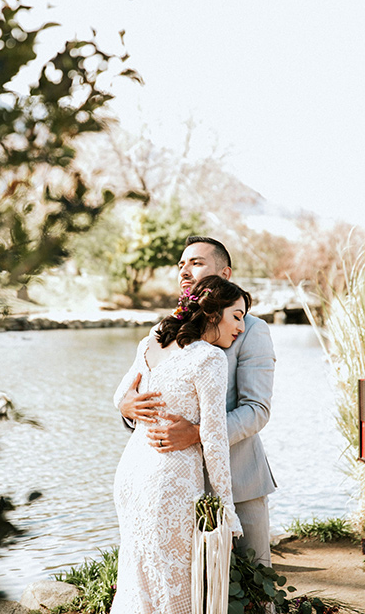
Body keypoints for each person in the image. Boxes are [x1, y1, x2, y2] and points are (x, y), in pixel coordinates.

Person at [120, 236, 276, 566]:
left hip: (239, 482)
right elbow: (135, 391)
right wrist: (126, 408)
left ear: (225, 273)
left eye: (197, 263)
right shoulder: (164, 332)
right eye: (181, 264)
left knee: (253, 589)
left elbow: (257, 410)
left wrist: (197, 433)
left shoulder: (251, 329)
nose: (185, 270)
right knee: (194, 590)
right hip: (171, 489)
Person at [111, 275, 248, 614]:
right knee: (174, 590)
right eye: (237, 315)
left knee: (136, 581)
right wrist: (228, 513)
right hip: (168, 482)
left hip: (131, 473)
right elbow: (214, 440)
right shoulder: (210, 358)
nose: (241, 327)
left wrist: (130, 407)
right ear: (213, 313)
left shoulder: (152, 341)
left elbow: (120, 397)